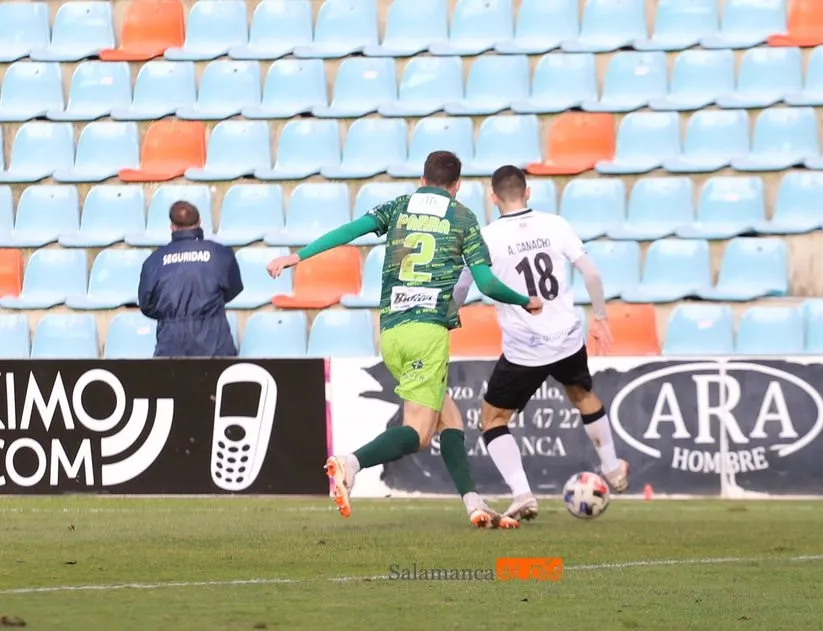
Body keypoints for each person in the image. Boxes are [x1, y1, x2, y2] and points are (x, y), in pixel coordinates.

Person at [266, 151, 542, 529]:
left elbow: (351, 231)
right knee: (418, 433)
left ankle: (473, 503)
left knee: (451, 422)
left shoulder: (398, 206)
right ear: (457, 186)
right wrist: (525, 300)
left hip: (392, 331)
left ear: (423, 179)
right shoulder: (462, 217)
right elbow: (487, 283)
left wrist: (298, 256)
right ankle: (351, 463)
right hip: (427, 332)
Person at [452, 165, 630, 522]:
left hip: (525, 348)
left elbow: (460, 288)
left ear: (493, 198)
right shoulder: (555, 224)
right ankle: (612, 469)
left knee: (492, 419)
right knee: (581, 393)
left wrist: (446, 319)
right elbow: (592, 273)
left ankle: (523, 495)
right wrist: (600, 317)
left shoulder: (485, 237)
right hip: (566, 337)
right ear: (528, 192)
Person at [138, 200, 243, 357]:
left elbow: (146, 304)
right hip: (214, 341)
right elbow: (233, 288)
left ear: (172, 227)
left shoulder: (155, 260)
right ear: (200, 222)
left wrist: (173, 317)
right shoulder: (220, 253)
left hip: (171, 343)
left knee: (173, 382)